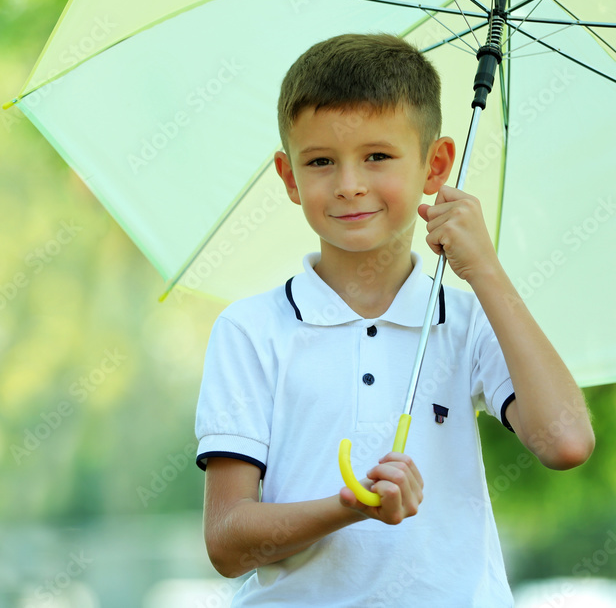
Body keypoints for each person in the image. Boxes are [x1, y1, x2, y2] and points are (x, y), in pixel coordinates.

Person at [194, 33, 595, 606]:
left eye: (377, 156)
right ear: (288, 176)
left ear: (435, 166)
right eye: (321, 162)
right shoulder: (250, 330)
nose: (350, 183)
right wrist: (347, 507)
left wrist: (485, 269)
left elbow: (566, 441)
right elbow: (228, 543)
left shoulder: (471, 318)